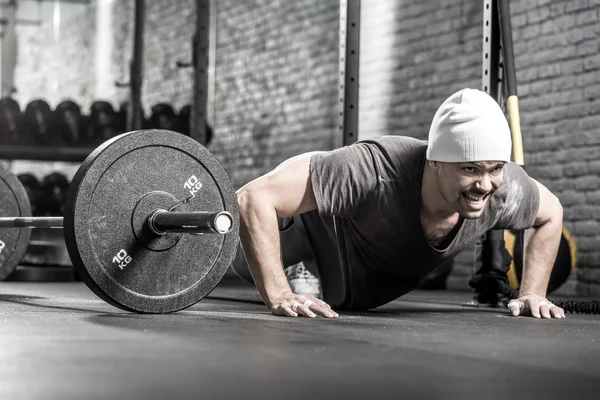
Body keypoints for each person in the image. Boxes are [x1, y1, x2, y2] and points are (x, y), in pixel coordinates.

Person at [233, 88, 566, 320]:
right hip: (306, 234)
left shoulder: (503, 189)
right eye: (469, 169)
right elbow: (252, 197)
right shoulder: (374, 169)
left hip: (361, 287)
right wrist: (279, 294)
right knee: (237, 254)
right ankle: (299, 265)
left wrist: (532, 293)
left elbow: (551, 214)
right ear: (434, 160)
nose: (484, 184)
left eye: (495, 169)